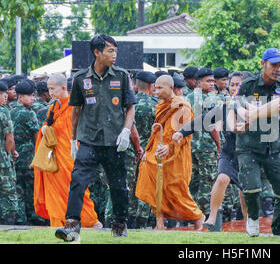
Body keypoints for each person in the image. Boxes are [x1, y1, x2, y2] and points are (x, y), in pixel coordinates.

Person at [55, 35, 136, 241]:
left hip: (114, 142)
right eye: (110, 51)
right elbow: (75, 112)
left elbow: (130, 108)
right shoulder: (82, 78)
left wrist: (126, 131)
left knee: (118, 186)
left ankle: (119, 225)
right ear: (97, 52)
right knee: (77, 182)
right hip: (89, 140)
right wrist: (74, 140)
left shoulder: (122, 76)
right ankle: (72, 226)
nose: (114, 55)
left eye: (116, 51)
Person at [173, 71, 248, 231]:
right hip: (229, 152)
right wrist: (182, 132)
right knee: (221, 178)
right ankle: (212, 216)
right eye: (232, 84)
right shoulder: (226, 106)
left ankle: (250, 224)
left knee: (245, 193)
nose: (234, 88)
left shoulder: (255, 106)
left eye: (238, 85)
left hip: (248, 155)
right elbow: (204, 119)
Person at [235, 48, 280, 239]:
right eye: (274, 65)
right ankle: (252, 218)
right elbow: (238, 105)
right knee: (251, 188)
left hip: (274, 146)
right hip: (249, 145)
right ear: (263, 64)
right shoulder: (248, 85)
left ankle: (278, 229)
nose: (278, 69)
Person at [135, 75, 205, 231]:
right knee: (154, 185)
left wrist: (170, 147)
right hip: (158, 150)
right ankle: (159, 222)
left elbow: (185, 134)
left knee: (176, 190)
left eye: (160, 88)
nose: (156, 91)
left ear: (171, 88)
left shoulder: (182, 106)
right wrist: (148, 150)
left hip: (177, 154)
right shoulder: (161, 105)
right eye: (155, 87)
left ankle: (198, 217)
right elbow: (156, 131)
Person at [33, 73, 101, 228]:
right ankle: (58, 222)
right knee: (55, 194)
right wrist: (45, 129)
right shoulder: (53, 107)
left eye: (53, 89)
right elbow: (50, 127)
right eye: (49, 89)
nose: (50, 92)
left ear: (63, 87)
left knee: (76, 188)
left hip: (71, 156)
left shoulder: (75, 106)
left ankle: (90, 221)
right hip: (55, 159)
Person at [185, 68, 223, 217]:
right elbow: (212, 126)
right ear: (198, 83)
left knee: (192, 181)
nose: (212, 83)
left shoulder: (187, 98)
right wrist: (219, 145)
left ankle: (190, 214)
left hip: (190, 145)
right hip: (206, 146)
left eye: (213, 81)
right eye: (208, 81)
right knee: (207, 181)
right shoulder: (211, 100)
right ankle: (205, 215)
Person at [11, 79, 46, 225]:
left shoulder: (10, 110)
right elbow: (38, 138)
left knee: (18, 192)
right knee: (33, 193)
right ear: (20, 97)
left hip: (15, 158)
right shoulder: (29, 114)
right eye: (30, 95)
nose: (33, 98)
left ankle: (20, 221)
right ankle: (36, 220)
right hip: (30, 159)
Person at [130, 70, 158, 228]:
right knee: (146, 187)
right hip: (148, 152)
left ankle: (130, 219)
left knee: (132, 185)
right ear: (151, 86)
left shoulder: (129, 103)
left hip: (130, 150)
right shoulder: (155, 105)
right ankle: (144, 221)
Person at [0, 81, 20, 225]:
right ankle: (8, 224)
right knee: (8, 194)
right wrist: (9, 154)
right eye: (2, 94)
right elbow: (9, 138)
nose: (5, 96)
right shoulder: (4, 111)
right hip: (2, 160)